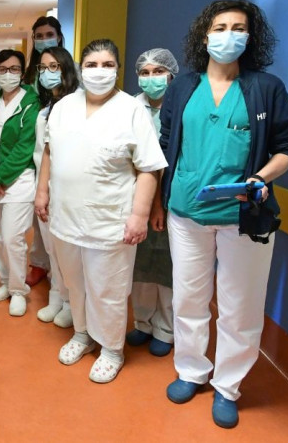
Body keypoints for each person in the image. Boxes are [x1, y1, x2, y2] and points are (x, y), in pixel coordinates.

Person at [159, 0, 288, 429]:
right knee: (188, 298)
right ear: (205, 35)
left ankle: (228, 385)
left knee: (240, 306)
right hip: (185, 213)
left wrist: (261, 177)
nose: (228, 35)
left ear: (250, 37)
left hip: (244, 215)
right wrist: (158, 204)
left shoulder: (264, 88)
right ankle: (191, 370)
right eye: (220, 27)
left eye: (238, 27)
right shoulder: (184, 86)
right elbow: (167, 144)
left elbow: (287, 149)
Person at [35, 39, 167, 384]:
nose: (99, 71)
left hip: (110, 222)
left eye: (107, 64)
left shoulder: (131, 110)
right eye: (91, 64)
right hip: (65, 218)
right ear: (80, 68)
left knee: (107, 290)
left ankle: (111, 348)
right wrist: (42, 191)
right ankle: (82, 334)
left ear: (118, 69)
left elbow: (150, 168)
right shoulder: (64, 106)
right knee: (73, 285)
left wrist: (139, 215)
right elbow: (49, 152)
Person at [0, 50, 39, 316]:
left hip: (20, 180)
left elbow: (25, 148)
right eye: (2, 69)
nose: (8, 74)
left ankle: (18, 289)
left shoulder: (31, 103)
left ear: (22, 73)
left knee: (14, 237)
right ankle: (4, 282)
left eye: (14, 69)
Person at [126, 48, 180, 356]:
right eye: (144, 73)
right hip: (136, 197)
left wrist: (160, 201)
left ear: (171, 74)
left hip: (172, 195)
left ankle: (166, 328)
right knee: (140, 264)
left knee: (168, 265)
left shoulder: (182, 106)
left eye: (158, 72)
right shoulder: (131, 107)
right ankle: (143, 323)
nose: (151, 79)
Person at [31, 47, 80, 328]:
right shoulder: (47, 104)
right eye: (42, 68)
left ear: (65, 68)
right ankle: (57, 298)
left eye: (53, 67)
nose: (47, 73)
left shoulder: (77, 104)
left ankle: (72, 304)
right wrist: (42, 190)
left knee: (68, 253)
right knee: (52, 250)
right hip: (44, 186)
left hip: (66, 189)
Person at [22, 16, 66, 287]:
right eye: (38, 35)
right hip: (34, 157)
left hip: (59, 163)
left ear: (59, 36)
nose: (43, 39)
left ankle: (62, 280)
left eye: (48, 34)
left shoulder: (69, 74)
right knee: (39, 220)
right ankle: (39, 265)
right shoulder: (29, 76)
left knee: (57, 222)